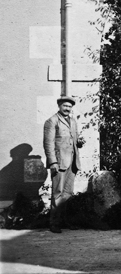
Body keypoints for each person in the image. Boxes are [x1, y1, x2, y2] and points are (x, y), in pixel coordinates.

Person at [43, 96, 84, 233]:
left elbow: (75, 140)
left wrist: (80, 142)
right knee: (58, 193)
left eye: (69, 106)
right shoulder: (52, 121)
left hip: (72, 162)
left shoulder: (72, 121)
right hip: (59, 163)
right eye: (65, 106)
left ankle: (65, 222)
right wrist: (53, 162)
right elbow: (48, 144)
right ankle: (54, 223)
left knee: (68, 194)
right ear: (59, 106)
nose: (67, 109)